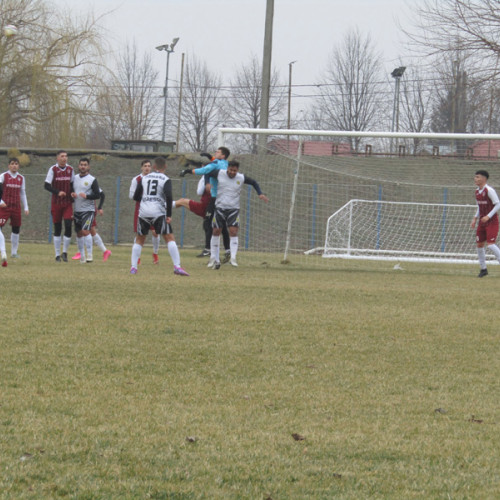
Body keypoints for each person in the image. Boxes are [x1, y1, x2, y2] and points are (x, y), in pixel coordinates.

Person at [205, 160, 269, 269]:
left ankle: (233, 258)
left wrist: (260, 193)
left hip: (233, 209)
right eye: (230, 170)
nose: (232, 172)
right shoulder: (220, 173)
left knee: (233, 231)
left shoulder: (241, 177)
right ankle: (213, 258)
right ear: (228, 168)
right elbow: (207, 172)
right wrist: (207, 183)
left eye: (234, 170)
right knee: (216, 231)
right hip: (220, 207)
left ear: (237, 170)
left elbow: (253, 182)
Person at [130, 156, 189, 276]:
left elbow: (136, 196)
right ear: (165, 167)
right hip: (158, 212)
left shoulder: (144, 178)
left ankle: (133, 268)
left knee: (140, 239)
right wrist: (169, 215)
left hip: (144, 212)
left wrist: (147, 200)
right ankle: (177, 266)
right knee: (169, 238)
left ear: (154, 167)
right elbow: (169, 197)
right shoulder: (166, 179)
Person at [180, 147, 231, 263]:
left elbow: (204, 170)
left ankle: (209, 250)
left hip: (215, 199)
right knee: (221, 225)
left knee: (209, 223)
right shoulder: (225, 164)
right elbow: (214, 163)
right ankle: (228, 250)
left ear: (223, 155)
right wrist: (209, 156)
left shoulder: (216, 163)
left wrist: (188, 171)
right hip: (225, 198)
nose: (215, 153)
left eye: (218, 152)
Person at [44, 150, 74, 262]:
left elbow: (72, 184)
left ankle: (65, 252)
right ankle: (57, 254)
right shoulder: (53, 169)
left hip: (67, 203)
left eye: (66, 156)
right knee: (57, 228)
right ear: (57, 158)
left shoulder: (70, 169)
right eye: (62, 156)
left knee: (68, 225)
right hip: (56, 203)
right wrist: (57, 192)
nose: (64, 158)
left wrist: (72, 192)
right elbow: (46, 185)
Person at [70, 157, 102, 263]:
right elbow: (71, 191)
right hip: (77, 210)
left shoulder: (92, 180)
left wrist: (87, 196)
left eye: (85, 165)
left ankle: (90, 255)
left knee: (85, 231)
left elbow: (97, 194)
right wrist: (72, 194)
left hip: (88, 210)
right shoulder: (74, 178)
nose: (83, 166)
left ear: (88, 167)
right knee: (79, 233)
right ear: (78, 166)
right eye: (81, 164)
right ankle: (82, 256)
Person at [470, 169, 500, 277]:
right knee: (479, 245)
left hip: (492, 221)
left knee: (491, 245)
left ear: (484, 179)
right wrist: (475, 218)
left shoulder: (489, 190)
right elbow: (480, 206)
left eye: (477, 177)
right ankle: (483, 269)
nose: (475, 179)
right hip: (482, 222)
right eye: (475, 177)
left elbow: (498, 204)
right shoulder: (477, 191)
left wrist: (488, 216)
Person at [130, 159, 160, 264]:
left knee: (156, 232)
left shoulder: (155, 179)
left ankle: (155, 253)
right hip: (141, 209)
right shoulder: (136, 179)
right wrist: (143, 197)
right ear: (141, 167)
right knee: (140, 234)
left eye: (149, 166)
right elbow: (131, 195)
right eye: (145, 166)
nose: (147, 168)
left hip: (154, 208)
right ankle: (137, 257)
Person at [0, 158, 29, 267]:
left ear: (19, 166)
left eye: (16, 164)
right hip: (4, 207)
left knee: (16, 228)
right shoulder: (3, 176)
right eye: (12, 164)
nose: (14, 166)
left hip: (16, 207)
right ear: (8, 166)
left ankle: (14, 252)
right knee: (0, 226)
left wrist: (26, 206)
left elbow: (22, 193)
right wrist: (1, 202)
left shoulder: (21, 178)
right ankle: (2, 248)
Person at [72, 189, 112, 262]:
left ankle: (83, 254)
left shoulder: (91, 182)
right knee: (91, 231)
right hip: (80, 210)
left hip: (89, 211)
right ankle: (105, 251)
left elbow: (102, 194)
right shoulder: (76, 182)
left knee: (85, 230)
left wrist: (99, 207)